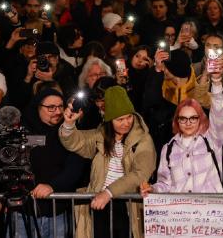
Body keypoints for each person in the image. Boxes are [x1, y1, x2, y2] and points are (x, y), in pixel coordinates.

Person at [59, 85, 156, 238]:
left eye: (129, 117)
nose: (126, 123)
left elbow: (140, 174)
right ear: (109, 120)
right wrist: (69, 125)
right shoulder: (101, 135)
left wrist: (109, 192)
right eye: (120, 119)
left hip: (126, 205)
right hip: (100, 204)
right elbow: (76, 142)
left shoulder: (143, 139)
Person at [140, 56, 223, 194]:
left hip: (209, 211)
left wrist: (216, 82)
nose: (188, 123)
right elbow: (165, 184)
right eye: (183, 118)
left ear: (200, 119)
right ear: (177, 121)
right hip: (182, 212)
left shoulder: (211, 140)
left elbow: (219, 113)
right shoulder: (168, 148)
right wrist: (152, 189)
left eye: (193, 118)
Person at [11, 87, 88, 238]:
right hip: (23, 212)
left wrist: (53, 186)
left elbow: (75, 168)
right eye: (51, 107)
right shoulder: (20, 132)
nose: (58, 111)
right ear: (37, 108)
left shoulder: (70, 132)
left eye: (60, 106)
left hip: (57, 211)